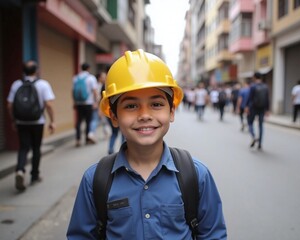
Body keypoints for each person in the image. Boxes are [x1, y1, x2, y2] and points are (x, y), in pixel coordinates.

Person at [67, 49, 227, 239]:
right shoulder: (95, 180)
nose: (144, 115)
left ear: (172, 111)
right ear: (114, 116)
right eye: (131, 106)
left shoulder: (196, 176)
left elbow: (213, 235)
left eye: (157, 104)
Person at [7, 60, 55, 191]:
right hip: (37, 121)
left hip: (21, 122)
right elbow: (49, 105)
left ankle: (20, 170)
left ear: (23, 71)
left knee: (23, 147)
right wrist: (52, 121)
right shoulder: (43, 84)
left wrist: (13, 120)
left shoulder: (16, 84)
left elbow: (10, 105)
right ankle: (34, 176)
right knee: (36, 148)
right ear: (37, 70)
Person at [73, 63, 98, 147]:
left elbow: (73, 91)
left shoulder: (76, 78)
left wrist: (74, 102)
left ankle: (78, 139)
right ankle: (87, 139)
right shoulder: (91, 78)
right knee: (88, 121)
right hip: (88, 103)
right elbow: (94, 91)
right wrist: (96, 102)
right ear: (88, 68)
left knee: (79, 121)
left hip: (79, 103)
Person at [245, 72, 270, 150]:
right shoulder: (265, 87)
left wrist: (246, 107)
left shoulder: (253, 86)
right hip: (262, 108)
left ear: (254, 77)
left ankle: (254, 136)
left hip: (253, 108)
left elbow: (250, 98)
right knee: (261, 125)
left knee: (250, 122)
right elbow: (267, 99)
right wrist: (267, 110)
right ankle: (260, 143)